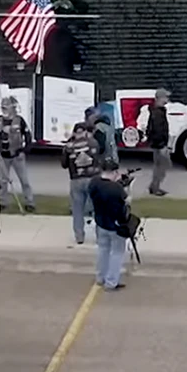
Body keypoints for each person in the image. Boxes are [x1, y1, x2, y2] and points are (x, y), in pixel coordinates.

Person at [86, 161, 131, 291]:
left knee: (102, 250)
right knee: (117, 253)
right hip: (115, 225)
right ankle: (111, 282)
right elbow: (126, 201)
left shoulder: (94, 183)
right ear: (115, 172)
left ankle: (100, 277)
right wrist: (125, 186)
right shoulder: (115, 189)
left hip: (100, 222)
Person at [0, 96, 36, 214]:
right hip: (3, 155)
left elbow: (27, 136)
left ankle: (29, 202)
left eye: (7, 107)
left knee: (24, 180)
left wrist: (25, 149)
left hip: (17, 155)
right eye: (3, 107)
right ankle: (2, 202)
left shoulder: (19, 120)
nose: (4, 109)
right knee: (3, 181)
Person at [61, 123, 101, 246]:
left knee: (77, 209)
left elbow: (64, 164)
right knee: (97, 208)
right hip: (92, 179)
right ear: (85, 132)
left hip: (76, 179)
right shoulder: (93, 142)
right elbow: (98, 156)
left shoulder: (69, 146)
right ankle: (100, 236)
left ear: (74, 133)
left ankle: (79, 236)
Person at [145, 88, 172, 196]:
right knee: (162, 166)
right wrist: (162, 144)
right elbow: (158, 129)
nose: (167, 99)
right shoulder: (158, 112)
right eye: (165, 97)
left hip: (158, 143)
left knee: (159, 166)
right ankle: (155, 187)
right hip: (160, 144)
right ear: (160, 98)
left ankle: (154, 186)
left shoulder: (156, 111)